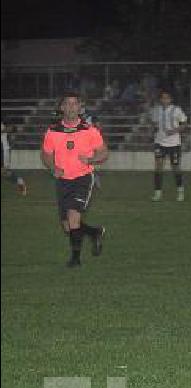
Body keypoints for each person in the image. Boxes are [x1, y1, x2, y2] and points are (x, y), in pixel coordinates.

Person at [40, 92, 108, 268]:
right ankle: (94, 232)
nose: (71, 107)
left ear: (80, 107)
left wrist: (91, 160)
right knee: (67, 226)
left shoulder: (89, 130)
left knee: (73, 217)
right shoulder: (52, 131)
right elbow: (46, 155)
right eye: (67, 104)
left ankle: (75, 259)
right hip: (63, 180)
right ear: (61, 107)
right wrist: (53, 167)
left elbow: (104, 153)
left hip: (83, 178)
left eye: (74, 104)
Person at [151, 89, 188, 202]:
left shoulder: (177, 110)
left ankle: (180, 191)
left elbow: (184, 124)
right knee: (158, 167)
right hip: (160, 142)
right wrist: (155, 129)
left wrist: (174, 131)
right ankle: (158, 193)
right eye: (163, 98)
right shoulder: (157, 110)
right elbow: (154, 123)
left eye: (167, 98)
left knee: (175, 167)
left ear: (170, 99)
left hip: (174, 143)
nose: (164, 100)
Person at [2, 118, 27, 196]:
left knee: (4, 172)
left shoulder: (2, 125)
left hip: (3, 150)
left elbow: (10, 128)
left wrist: (8, 128)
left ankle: (21, 183)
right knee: (4, 172)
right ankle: (20, 182)